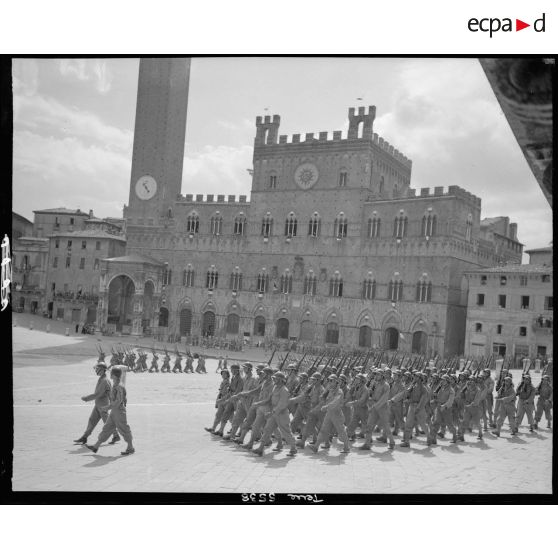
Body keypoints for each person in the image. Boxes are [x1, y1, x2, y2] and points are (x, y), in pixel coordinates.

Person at [85, 366, 135, 455]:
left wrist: (107, 407)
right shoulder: (115, 385)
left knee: (124, 429)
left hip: (119, 411)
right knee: (107, 428)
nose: (110, 375)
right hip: (114, 412)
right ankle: (96, 446)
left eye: (111, 373)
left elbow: (118, 401)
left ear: (114, 375)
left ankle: (130, 447)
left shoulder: (119, 386)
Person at [252, 371, 297, 457]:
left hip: (282, 414)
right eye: (274, 378)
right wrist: (258, 403)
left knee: (286, 432)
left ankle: (293, 448)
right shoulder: (275, 387)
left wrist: (271, 412)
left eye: (275, 378)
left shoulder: (284, 390)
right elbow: (268, 399)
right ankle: (260, 448)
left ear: (280, 380)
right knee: (267, 429)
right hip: (274, 413)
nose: (274, 379)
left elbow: (282, 405)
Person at [74, 362, 120, 446]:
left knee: (107, 422)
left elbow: (97, 394)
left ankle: (116, 435)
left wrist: (86, 398)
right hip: (99, 404)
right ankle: (85, 437)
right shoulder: (102, 379)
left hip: (103, 405)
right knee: (92, 420)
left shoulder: (104, 381)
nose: (96, 370)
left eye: (97, 369)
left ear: (102, 370)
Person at [308, 374, 351, 453]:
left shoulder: (339, 392)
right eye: (329, 381)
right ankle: (316, 446)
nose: (329, 382)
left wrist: (326, 406)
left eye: (331, 381)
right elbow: (322, 398)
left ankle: (346, 447)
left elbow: (336, 402)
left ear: (336, 382)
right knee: (323, 430)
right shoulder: (330, 390)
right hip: (329, 414)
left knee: (341, 431)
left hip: (337, 414)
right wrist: (325, 392)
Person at [357, 370, 395, 450]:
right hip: (375, 407)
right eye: (376, 375)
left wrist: (375, 406)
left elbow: (384, 398)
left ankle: (392, 441)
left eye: (378, 375)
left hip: (383, 408)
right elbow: (373, 396)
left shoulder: (386, 386)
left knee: (386, 426)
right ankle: (367, 444)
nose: (376, 376)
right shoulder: (376, 384)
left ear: (382, 376)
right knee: (369, 425)